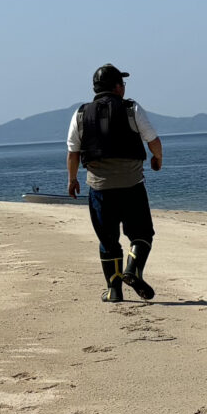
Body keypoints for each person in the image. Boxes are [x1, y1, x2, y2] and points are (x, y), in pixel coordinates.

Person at [64, 64, 163, 302]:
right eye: (122, 84)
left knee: (108, 241)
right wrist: (157, 158)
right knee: (142, 235)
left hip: (99, 188)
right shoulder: (131, 108)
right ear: (118, 87)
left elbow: (73, 152)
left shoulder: (80, 114)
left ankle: (114, 290)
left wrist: (72, 179)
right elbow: (153, 139)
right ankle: (133, 269)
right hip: (132, 186)